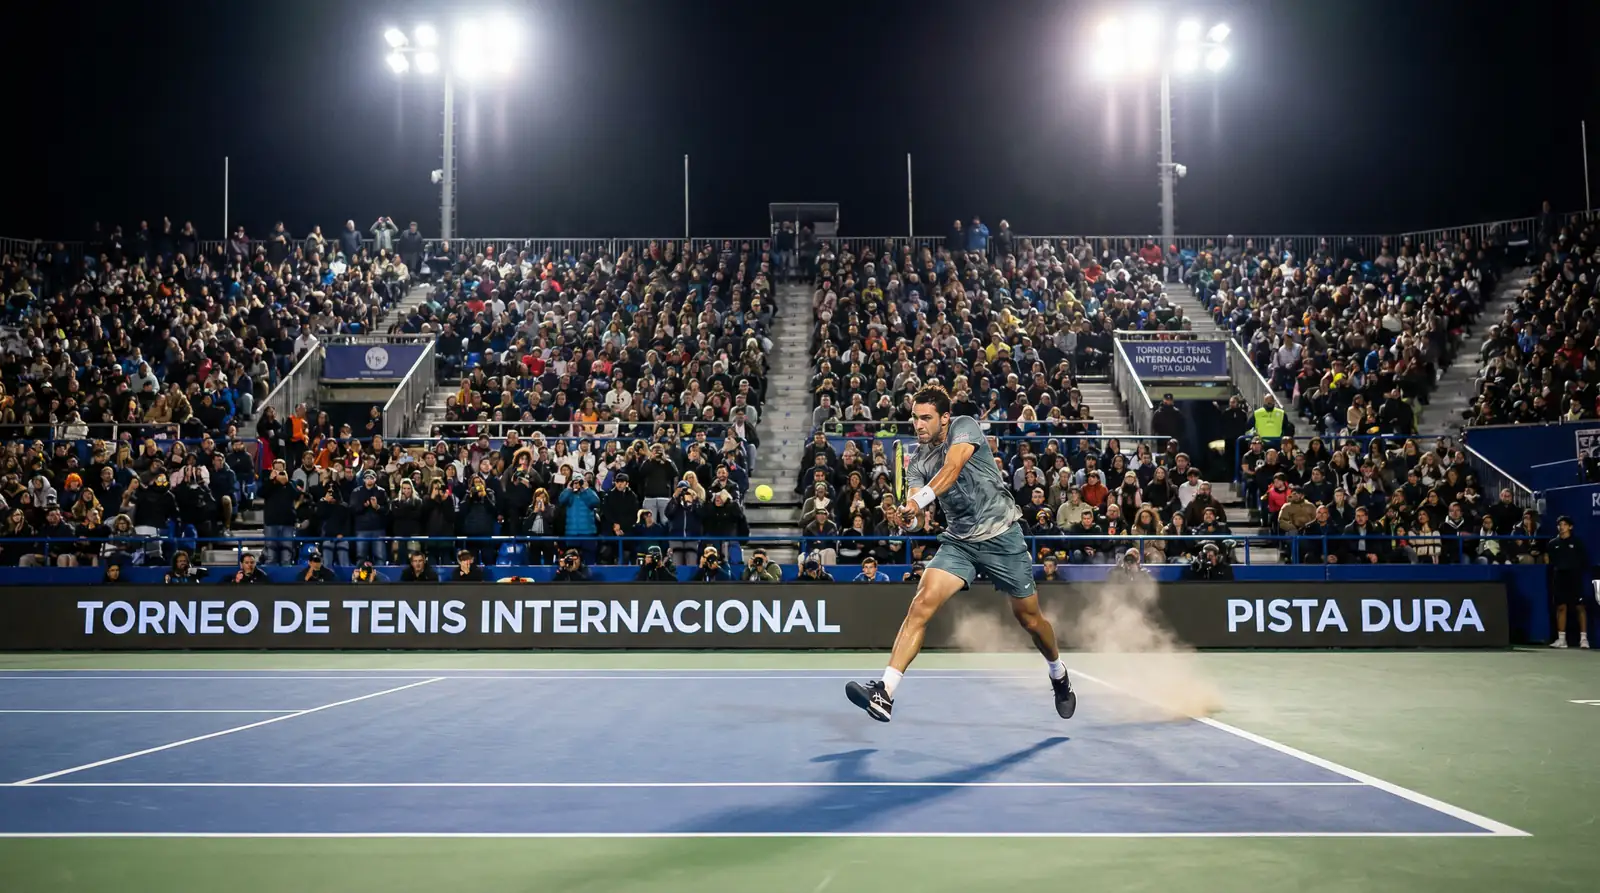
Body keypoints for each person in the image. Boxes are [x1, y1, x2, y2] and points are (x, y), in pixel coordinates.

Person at [845, 385, 1075, 723]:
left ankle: (1058, 672)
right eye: (914, 418)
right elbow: (917, 518)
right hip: (959, 543)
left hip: (1002, 536)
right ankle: (885, 692)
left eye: (926, 418)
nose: (918, 424)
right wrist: (908, 519)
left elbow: (952, 469)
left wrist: (916, 502)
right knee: (920, 604)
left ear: (944, 419)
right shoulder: (918, 462)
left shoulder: (964, 426)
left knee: (1030, 620)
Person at [1547, 515, 1590, 649]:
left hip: (1574, 577)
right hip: (1559, 577)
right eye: (1560, 525)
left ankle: (1584, 639)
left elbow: (1583, 560)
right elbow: (1551, 561)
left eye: (1565, 524)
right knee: (1561, 607)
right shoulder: (1553, 543)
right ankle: (1561, 640)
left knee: (1580, 607)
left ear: (1570, 527)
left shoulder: (1577, 543)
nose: (1562, 527)